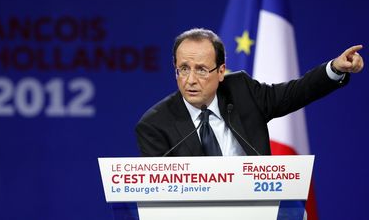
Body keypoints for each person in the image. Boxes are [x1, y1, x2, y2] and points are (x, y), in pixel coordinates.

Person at [135, 28, 364, 157]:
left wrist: (334, 69)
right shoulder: (155, 125)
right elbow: (160, 198)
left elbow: (295, 93)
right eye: (183, 69)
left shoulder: (241, 91)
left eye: (202, 70)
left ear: (221, 71)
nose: (191, 80)